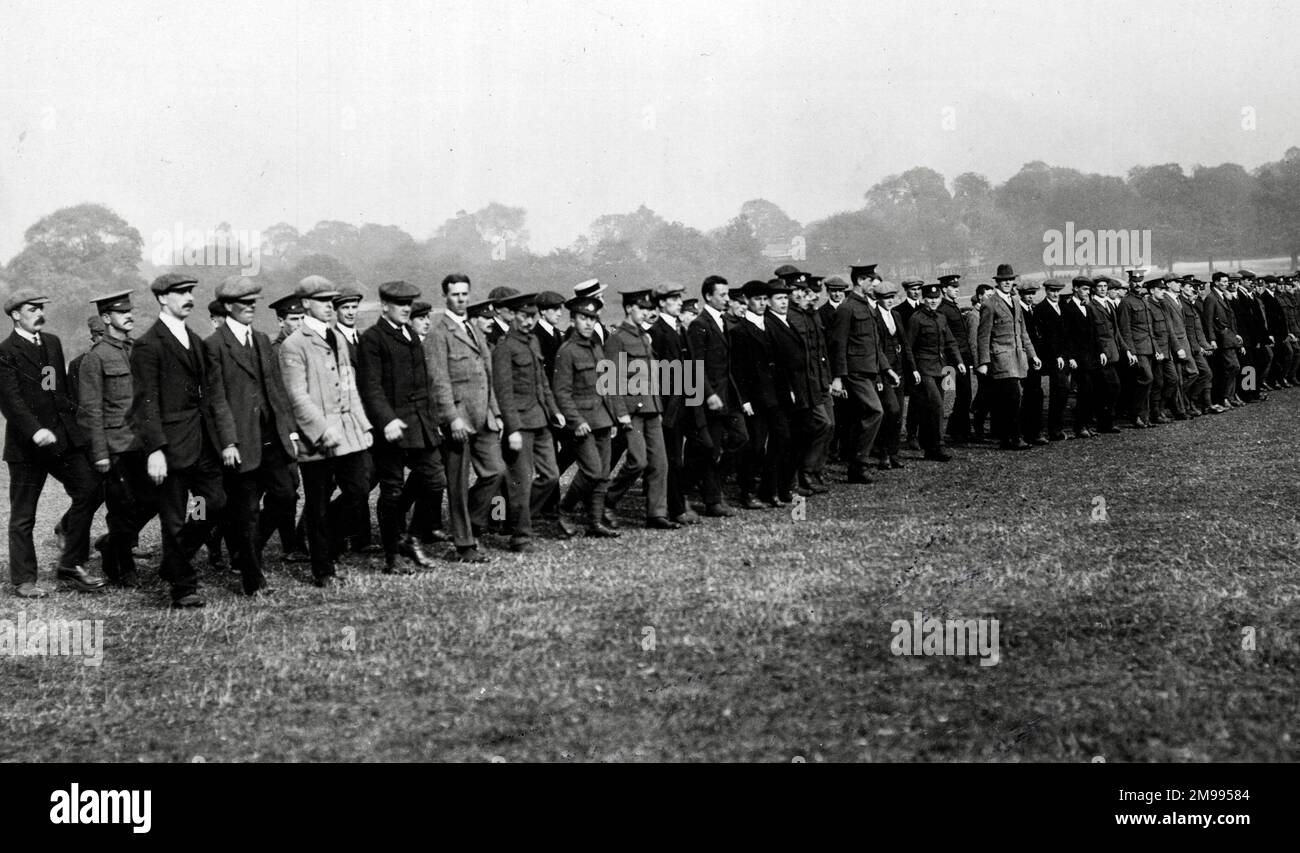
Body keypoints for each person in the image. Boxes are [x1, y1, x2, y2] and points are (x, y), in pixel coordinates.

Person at [130, 273, 227, 607]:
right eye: (181, 292)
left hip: (201, 444)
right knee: (172, 517)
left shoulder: (196, 340)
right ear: (161, 298)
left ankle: (174, 561)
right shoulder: (147, 345)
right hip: (169, 448)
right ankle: (183, 587)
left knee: (211, 504)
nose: (189, 297)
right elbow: (145, 403)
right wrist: (155, 449)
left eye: (191, 291)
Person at [0, 289, 105, 598]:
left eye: (41, 308)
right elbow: (12, 400)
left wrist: (77, 432)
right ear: (16, 314)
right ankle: (24, 580)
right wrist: (35, 431)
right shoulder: (6, 351)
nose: (40, 314)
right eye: (32, 309)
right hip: (27, 448)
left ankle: (70, 565)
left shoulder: (52, 343)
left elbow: (56, 392)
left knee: (91, 488)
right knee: (23, 516)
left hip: (60, 441)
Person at [203, 275, 299, 596]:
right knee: (247, 511)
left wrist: (290, 432)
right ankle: (253, 581)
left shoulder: (261, 340)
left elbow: (276, 391)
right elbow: (216, 399)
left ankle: (246, 552)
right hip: (240, 442)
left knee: (286, 496)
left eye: (253, 302)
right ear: (228, 307)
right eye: (244, 303)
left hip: (272, 438)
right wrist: (228, 442)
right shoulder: (214, 346)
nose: (251, 307)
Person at [278, 275, 374, 587]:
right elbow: (298, 396)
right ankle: (323, 569)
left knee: (358, 492)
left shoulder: (338, 339)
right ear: (305, 303)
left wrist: (364, 426)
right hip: (316, 440)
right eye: (322, 302)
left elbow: (350, 386)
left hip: (348, 433)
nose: (330, 308)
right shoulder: (294, 345)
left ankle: (320, 539)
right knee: (317, 504)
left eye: (331, 302)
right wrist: (321, 431)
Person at [356, 280, 444, 574]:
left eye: (409, 304)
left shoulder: (411, 335)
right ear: (384, 306)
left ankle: (412, 538)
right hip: (390, 428)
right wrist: (387, 420)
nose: (406, 309)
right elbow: (370, 388)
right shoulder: (373, 338)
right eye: (400, 304)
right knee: (392, 491)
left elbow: (424, 385)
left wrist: (431, 421)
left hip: (419, 424)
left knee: (434, 480)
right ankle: (393, 554)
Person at [78, 290, 159, 588]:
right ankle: (121, 566)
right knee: (122, 508)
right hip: (115, 448)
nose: (130, 315)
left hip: (141, 445)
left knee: (153, 500)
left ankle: (111, 544)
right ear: (106, 318)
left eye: (130, 311)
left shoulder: (136, 350)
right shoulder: (95, 358)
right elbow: (90, 411)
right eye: (122, 312)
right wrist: (100, 453)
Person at [424, 274, 502, 563]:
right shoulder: (437, 333)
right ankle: (465, 544)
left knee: (495, 472)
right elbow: (438, 381)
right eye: (455, 294)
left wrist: (495, 411)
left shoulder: (473, 328)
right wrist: (452, 418)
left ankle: (473, 523)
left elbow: (487, 376)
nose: (461, 299)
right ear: (445, 296)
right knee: (457, 484)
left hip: (483, 417)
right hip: (458, 420)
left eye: (465, 294)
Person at [491, 292, 564, 551]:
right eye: (523, 315)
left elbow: (542, 382)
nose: (528, 321)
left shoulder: (533, 342)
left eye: (532, 316)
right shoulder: (504, 347)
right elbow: (503, 391)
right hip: (520, 424)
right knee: (520, 482)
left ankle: (517, 518)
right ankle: (521, 536)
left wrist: (555, 410)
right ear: (512, 316)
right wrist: (512, 428)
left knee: (552, 476)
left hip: (541, 420)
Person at [604, 289, 680, 527]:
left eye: (649, 309)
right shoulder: (617, 338)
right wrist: (620, 412)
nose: (647, 313)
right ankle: (606, 501)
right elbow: (609, 379)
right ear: (629, 309)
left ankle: (656, 514)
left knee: (660, 463)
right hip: (631, 411)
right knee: (638, 461)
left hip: (651, 407)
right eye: (641, 309)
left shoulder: (644, 337)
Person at [552, 295, 620, 538]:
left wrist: (612, 417)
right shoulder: (566, 351)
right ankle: (564, 511)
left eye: (592, 318)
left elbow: (606, 385)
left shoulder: (595, 347)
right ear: (573, 320)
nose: (589, 323)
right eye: (583, 318)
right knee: (591, 470)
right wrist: (576, 421)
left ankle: (595, 522)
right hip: (582, 422)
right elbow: (561, 393)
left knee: (602, 474)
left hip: (602, 419)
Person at [684, 275, 747, 517]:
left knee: (741, 438)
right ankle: (712, 499)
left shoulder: (721, 322)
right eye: (722, 295)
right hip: (710, 398)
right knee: (711, 448)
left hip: (727, 396)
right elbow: (695, 365)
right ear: (708, 296)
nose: (727, 299)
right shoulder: (700, 325)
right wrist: (708, 394)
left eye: (727, 294)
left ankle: (706, 486)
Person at [827, 264, 893, 482]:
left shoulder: (867, 306)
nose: (874, 285)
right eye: (871, 280)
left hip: (870, 370)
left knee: (862, 416)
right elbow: (838, 343)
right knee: (875, 411)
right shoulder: (847, 308)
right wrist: (838, 377)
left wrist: (887, 369)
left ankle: (855, 466)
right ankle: (859, 464)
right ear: (861, 281)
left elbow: (875, 343)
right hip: (855, 372)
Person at [646, 281, 698, 525]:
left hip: (685, 403)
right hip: (668, 408)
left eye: (679, 298)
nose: (679, 302)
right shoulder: (657, 333)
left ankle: (677, 503)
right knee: (672, 458)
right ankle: (675, 509)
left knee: (685, 454)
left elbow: (689, 368)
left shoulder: (680, 330)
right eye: (674, 298)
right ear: (661, 303)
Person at [976, 264, 1040, 451]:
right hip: (1001, 357)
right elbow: (983, 334)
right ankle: (1014, 437)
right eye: (1004, 280)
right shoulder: (990, 304)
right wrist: (983, 362)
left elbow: (1023, 332)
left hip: (1018, 356)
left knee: (1009, 399)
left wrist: (1032, 354)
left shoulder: (1016, 302)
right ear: (997, 282)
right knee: (1013, 396)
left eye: (1010, 280)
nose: (1007, 283)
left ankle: (1007, 438)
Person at [906, 283, 966, 461]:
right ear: (924, 299)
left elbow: (950, 342)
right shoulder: (916, 319)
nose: (933, 301)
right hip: (924, 369)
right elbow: (908, 346)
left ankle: (928, 448)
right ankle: (938, 446)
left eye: (936, 298)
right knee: (937, 406)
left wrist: (959, 362)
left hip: (940, 368)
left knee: (931, 408)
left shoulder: (941, 317)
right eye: (930, 298)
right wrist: (913, 369)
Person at [868, 279, 912, 469]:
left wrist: (913, 368)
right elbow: (875, 348)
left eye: (892, 297)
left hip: (899, 370)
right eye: (886, 298)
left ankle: (893, 453)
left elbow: (905, 343)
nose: (890, 301)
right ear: (878, 299)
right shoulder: (873, 317)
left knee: (898, 413)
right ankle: (883, 453)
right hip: (883, 372)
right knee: (890, 410)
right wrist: (879, 375)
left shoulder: (896, 315)